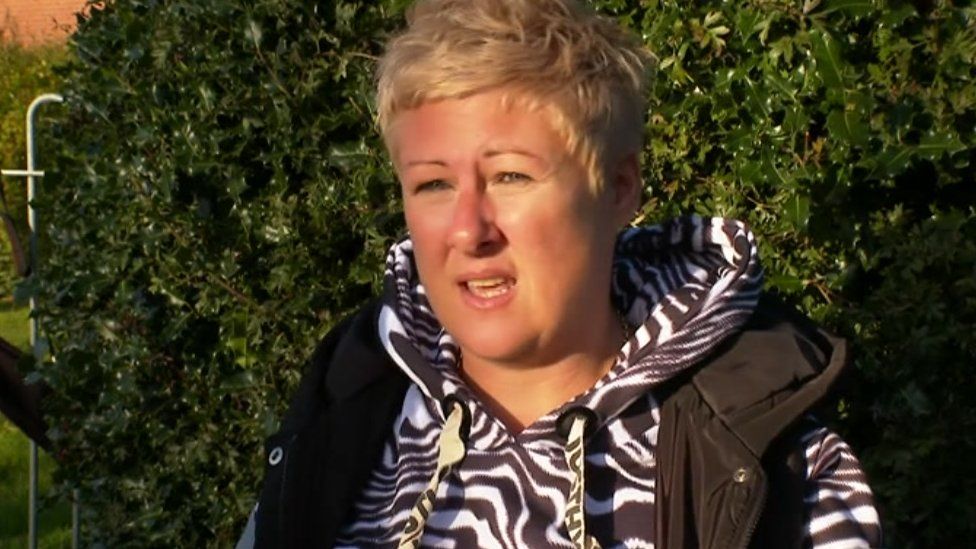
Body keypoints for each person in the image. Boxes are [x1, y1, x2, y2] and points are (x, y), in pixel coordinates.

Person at [239, 0, 882, 547]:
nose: (468, 230)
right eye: (433, 183)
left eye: (510, 176)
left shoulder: (777, 470)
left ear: (618, 188)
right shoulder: (333, 432)